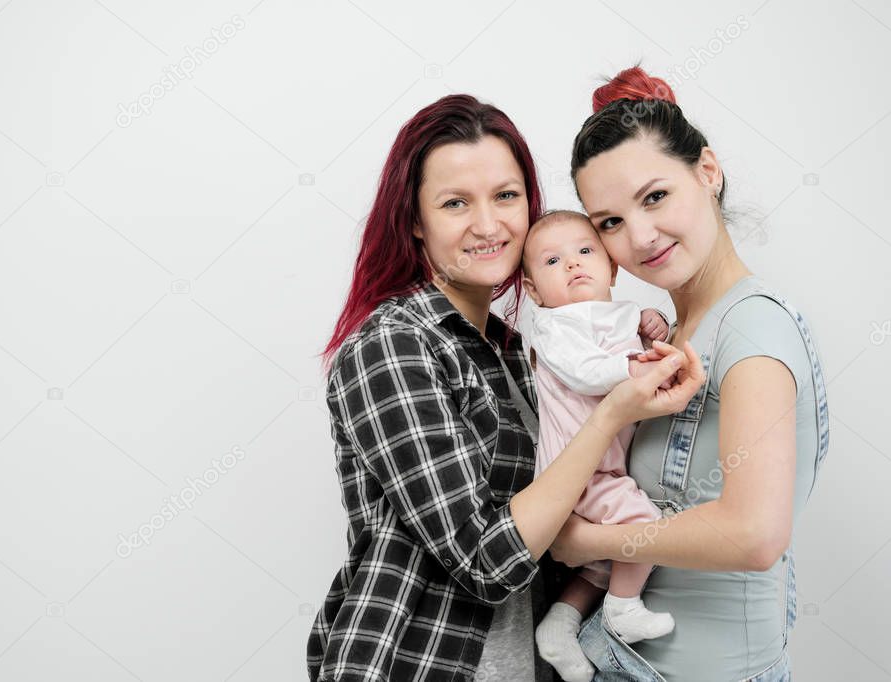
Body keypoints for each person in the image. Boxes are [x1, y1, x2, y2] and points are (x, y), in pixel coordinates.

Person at [306, 93, 703, 681]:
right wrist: (612, 414)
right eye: (455, 203)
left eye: (506, 196)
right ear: (415, 221)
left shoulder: (515, 348)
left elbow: (557, 513)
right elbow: (485, 561)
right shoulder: (392, 346)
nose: (488, 225)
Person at [549, 66, 830, 681]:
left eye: (654, 197)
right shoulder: (668, 332)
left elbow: (754, 535)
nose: (640, 237)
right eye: (610, 223)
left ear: (706, 171)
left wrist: (587, 543)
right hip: (617, 659)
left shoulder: (752, 329)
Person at [520, 210, 676, 681]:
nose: (572, 265)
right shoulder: (554, 326)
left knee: (605, 560)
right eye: (552, 261)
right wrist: (634, 368)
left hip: (608, 466)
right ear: (532, 290)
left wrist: (654, 321)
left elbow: (637, 332)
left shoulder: (619, 312)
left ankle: (559, 624)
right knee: (644, 526)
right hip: (576, 470)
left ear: (612, 268)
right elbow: (586, 371)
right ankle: (623, 610)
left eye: (585, 252)